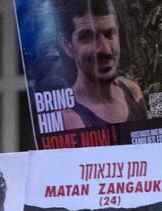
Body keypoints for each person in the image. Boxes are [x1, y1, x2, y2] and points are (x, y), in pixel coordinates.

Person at [58, 0, 147, 130]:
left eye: (110, 33)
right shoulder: (67, 119)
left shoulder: (133, 91)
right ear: (67, 45)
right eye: (87, 37)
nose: (104, 49)